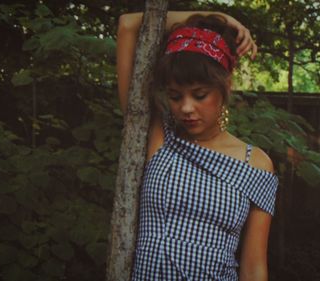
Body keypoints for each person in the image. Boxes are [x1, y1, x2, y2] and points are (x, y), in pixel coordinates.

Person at [117, 11, 278, 281]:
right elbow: (128, 25)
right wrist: (223, 18)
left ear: (225, 85)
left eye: (200, 95)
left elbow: (254, 267)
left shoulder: (256, 163)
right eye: (175, 96)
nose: (186, 108)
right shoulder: (158, 136)